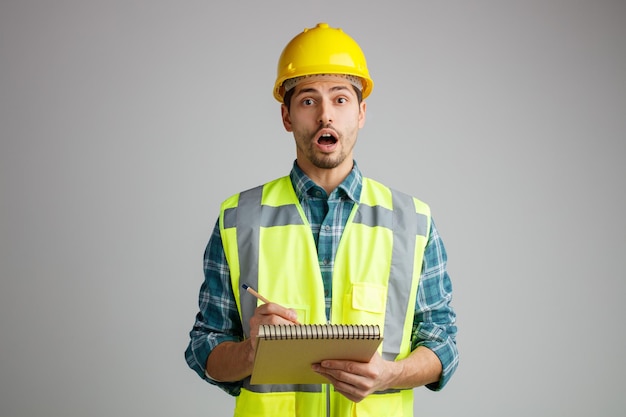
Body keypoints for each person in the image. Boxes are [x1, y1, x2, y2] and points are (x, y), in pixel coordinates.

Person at [185, 22, 458, 417]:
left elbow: (443, 343)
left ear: (361, 113)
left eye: (341, 99)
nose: (325, 115)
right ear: (286, 115)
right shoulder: (237, 218)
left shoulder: (413, 221)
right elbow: (203, 348)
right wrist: (249, 353)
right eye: (309, 101)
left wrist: (389, 374)